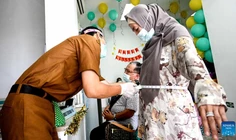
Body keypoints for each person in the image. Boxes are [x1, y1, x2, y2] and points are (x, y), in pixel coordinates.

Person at [0, 26, 138, 140]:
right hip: (28, 104)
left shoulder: (81, 61)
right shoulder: (89, 41)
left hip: (42, 104)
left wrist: (128, 86)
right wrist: (122, 89)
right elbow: (93, 90)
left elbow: (106, 85)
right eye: (104, 40)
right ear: (97, 36)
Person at [124, 4, 227, 140]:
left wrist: (208, 93)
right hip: (153, 115)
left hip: (174, 114)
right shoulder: (152, 45)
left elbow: (193, 63)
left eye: (136, 29)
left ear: (147, 19)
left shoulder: (176, 34)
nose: (137, 34)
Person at [90, 61, 141, 140]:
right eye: (125, 70)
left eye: (128, 71)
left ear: (137, 76)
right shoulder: (125, 85)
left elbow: (130, 112)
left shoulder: (133, 90)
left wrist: (113, 116)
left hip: (125, 126)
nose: (125, 73)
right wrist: (109, 107)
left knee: (96, 133)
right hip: (115, 121)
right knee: (96, 132)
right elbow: (112, 92)